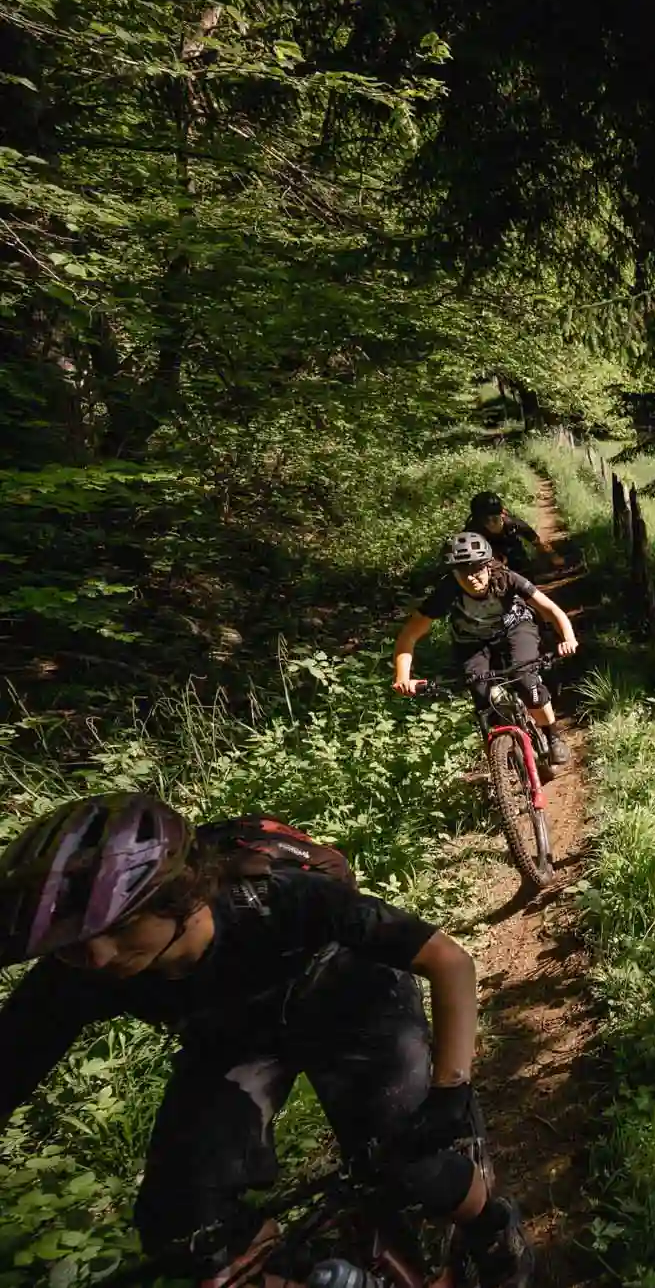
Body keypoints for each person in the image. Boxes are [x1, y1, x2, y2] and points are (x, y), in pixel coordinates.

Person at [0, 792, 533, 1288]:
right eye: (70, 946)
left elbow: (448, 960)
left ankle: (491, 1225)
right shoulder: (78, 973)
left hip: (350, 996)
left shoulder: (276, 898)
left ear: (177, 897)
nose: (94, 957)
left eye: (117, 928)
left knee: (411, 1160)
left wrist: (450, 1093)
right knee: (180, 1221)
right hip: (233, 1039)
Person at [392, 533, 577, 768]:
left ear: (488, 565)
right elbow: (410, 635)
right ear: (453, 573)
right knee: (482, 697)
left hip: (515, 628)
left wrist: (568, 638)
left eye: (477, 569)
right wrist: (402, 676)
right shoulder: (447, 591)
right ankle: (501, 766)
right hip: (472, 642)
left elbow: (550, 609)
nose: (471, 578)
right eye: (462, 572)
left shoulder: (508, 578)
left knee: (526, 680)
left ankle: (552, 735)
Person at [465, 493, 549, 576]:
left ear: (502, 514)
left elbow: (536, 540)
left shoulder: (512, 524)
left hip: (513, 556)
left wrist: (551, 557)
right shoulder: (471, 532)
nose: (490, 523)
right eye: (485, 520)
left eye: (495, 519)